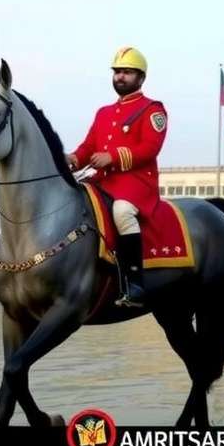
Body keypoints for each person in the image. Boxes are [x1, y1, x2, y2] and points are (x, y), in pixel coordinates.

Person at [66, 47, 167, 308]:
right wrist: (74, 159)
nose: (120, 77)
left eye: (127, 72)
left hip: (136, 183)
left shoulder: (152, 110)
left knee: (121, 211)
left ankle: (135, 284)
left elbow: (150, 148)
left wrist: (113, 156)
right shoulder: (103, 112)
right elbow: (89, 146)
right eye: (117, 72)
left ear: (141, 78)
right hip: (103, 181)